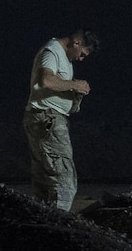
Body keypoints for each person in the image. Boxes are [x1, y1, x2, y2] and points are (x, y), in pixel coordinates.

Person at [24, 29, 98, 211]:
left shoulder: (60, 54)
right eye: (82, 54)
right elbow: (46, 80)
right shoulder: (53, 51)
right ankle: (59, 225)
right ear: (76, 43)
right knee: (64, 181)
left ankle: (41, 223)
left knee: (43, 182)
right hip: (47, 118)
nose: (81, 59)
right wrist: (75, 84)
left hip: (40, 118)